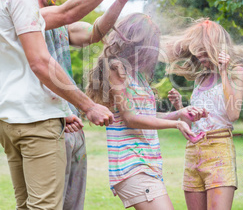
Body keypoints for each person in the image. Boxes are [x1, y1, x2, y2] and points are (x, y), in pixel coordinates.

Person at [0, 0, 147, 209]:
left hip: (29, 119)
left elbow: (92, 31)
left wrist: (119, 0)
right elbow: (62, 17)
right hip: (40, 119)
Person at [30, 0, 149, 210]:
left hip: (74, 127)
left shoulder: (60, 25)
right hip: (49, 125)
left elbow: (94, 32)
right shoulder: (25, 17)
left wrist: (121, 1)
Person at [86, 13, 208, 210]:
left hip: (148, 164)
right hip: (132, 165)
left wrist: (179, 114)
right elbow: (130, 118)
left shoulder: (139, 76)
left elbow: (146, 116)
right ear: (134, 41)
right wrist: (175, 124)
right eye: (150, 42)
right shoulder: (117, 68)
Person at [164, 19, 243, 210]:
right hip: (193, 151)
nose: (200, 56)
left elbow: (232, 114)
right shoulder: (200, 77)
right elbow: (190, 128)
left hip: (219, 151)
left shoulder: (236, 71)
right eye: (197, 51)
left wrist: (223, 71)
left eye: (204, 51)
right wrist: (180, 107)